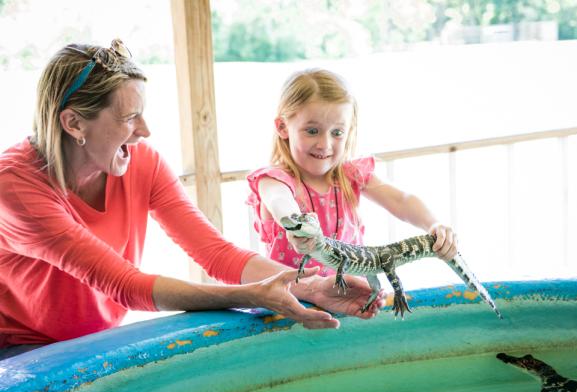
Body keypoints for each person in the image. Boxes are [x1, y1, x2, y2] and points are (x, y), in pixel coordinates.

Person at [0, 40, 384, 360]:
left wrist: (308, 287)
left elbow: (215, 253)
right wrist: (252, 296)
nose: (145, 131)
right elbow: (125, 285)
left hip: (96, 341)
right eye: (130, 117)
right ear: (74, 123)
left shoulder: (140, 162)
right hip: (19, 352)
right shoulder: (15, 187)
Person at [247, 68, 458, 278]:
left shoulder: (351, 175)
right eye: (312, 131)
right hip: (295, 302)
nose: (325, 144)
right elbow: (279, 201)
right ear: (283, 127)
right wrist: (296, 227)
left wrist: (433, 224)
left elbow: (401, 200)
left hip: (350, 299)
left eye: (337, 132)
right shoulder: (274, 180)